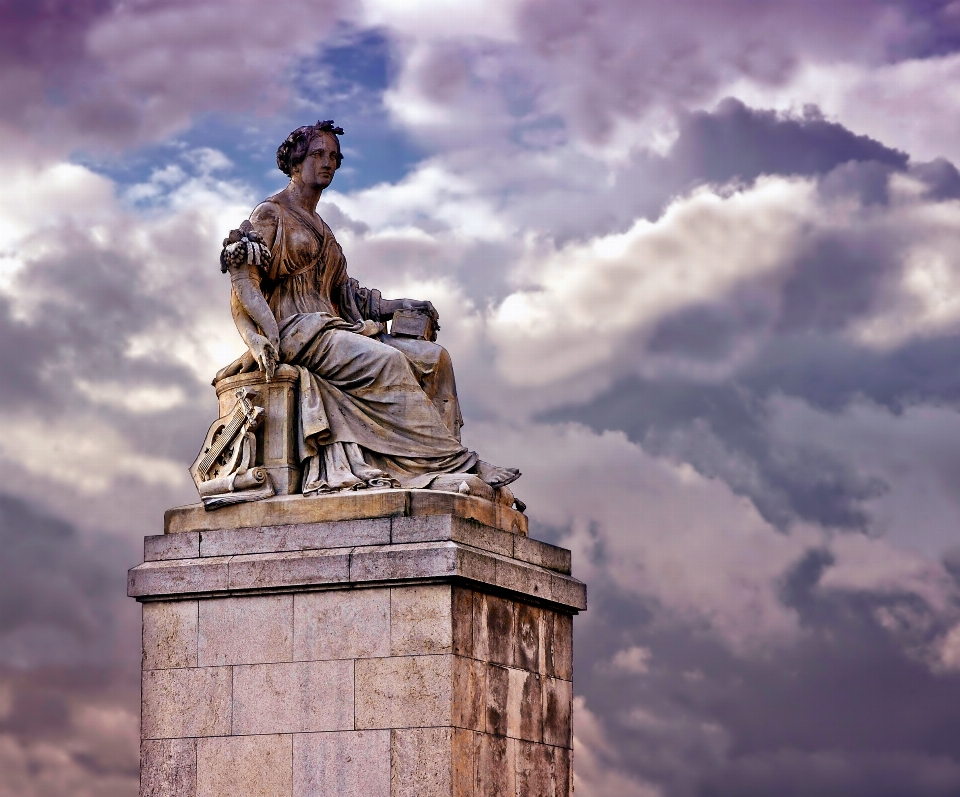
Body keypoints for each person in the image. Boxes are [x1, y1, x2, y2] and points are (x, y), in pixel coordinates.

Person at [213, 120, 519, 494]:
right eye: (318, 154)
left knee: (434, 358)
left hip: (335, 327)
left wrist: (397, 306)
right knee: (387, 362)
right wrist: (255, 337)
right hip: (298, 332)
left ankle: (426, 464)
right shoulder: (271, 213)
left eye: (334, 157)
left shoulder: (323, 229)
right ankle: (460, 464)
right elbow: (242, 283)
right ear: (295, 161)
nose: (328, 162)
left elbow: (349, 296)